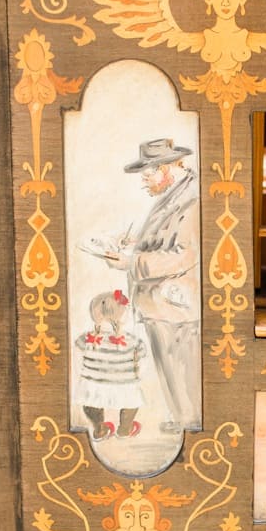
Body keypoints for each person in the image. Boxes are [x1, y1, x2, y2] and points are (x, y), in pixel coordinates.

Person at [102, 138, 202, 433]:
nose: (144, 179)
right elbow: (166, 243)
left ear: (170, 168)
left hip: (175, 304)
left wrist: (132, 261)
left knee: (183, 365)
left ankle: (193, 423)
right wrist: (134, 246)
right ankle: (184, 419)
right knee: (169, 364)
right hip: (163, 304)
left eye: (149, 172)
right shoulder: (177, 196)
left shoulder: (192, 200)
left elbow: (185, 255)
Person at [74, 289, 145, 440]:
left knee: (91, 403)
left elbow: (78, 345)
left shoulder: (87, 338)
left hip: (93, 383)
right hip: (123, 383)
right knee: (131, 402)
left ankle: (100, 429)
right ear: (121, 315)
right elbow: (142, 351)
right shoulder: (131, 340)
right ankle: (125, 429)